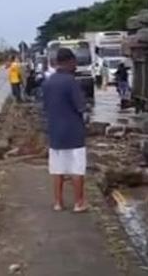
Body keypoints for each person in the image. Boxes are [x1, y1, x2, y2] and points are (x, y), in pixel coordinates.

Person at [42, 48, 88, 212]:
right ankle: (78, 203)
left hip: (55, 132)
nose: (75, 65)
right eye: (74, 62)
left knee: (57, 169)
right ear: (69, 61)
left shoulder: (48, 82)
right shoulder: (71, 82)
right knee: (77, 169)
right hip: (74, 132)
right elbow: (81, 107)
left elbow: (45, 108)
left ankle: (58, 203)